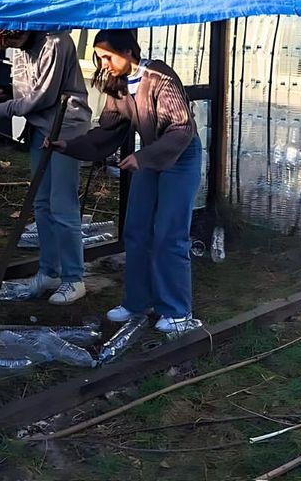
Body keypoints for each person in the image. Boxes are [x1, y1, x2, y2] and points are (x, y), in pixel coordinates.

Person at [53, 29, 202, 334]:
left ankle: (177, 311)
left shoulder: (159, 77)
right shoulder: (118, 86)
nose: (102, 62)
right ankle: (138, 301)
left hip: (180, 156)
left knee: (169, 235)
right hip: (149, 156)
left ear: (129, 52)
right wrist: (69, 146)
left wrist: (143, 158)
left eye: (107, 56)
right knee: (135, 231)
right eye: (99, 57)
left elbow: (181, 128)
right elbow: (108, 132)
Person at [0, 30, 92, 305]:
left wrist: (1, 110)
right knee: (42, 203)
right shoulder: (25, 45)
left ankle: (74, 278)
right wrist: (9, 96)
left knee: (63, 205)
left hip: (65, 127)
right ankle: (49, 271)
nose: (10, 46)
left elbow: (43, 97)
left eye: (11, 40)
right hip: (40, 127)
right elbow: (28, 88)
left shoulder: (56, 41)